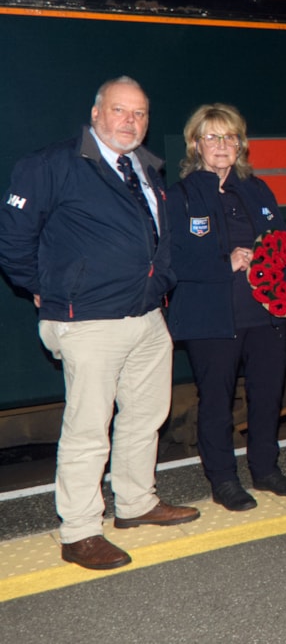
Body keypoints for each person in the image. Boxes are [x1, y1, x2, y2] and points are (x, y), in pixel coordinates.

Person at [0, 77, 199, 570]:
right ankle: (79, 531)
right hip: (88, 320)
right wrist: (46, 288)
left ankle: (135, 504)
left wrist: (163, 279)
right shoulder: (51, 165)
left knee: (145, 416)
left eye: (140, 113)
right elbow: (12, 240)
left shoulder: (145, 167)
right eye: (119, 111)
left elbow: (162, 236)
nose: (130, 121)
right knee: (89, 430)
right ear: (95, 114)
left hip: (147, 316)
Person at [165, 103, 286, 513]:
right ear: (195, 145)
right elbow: (169, 260)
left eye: (229, 137)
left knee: (266, 395)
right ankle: (223, 479)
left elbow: (284, 244)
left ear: (241, 145)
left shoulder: (257, 189)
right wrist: (227, 263)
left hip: (266, 315)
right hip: (212, 319)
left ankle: (265, 468)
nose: (222, 145)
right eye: (212, 137)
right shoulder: (180, 196)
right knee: (217, 403)